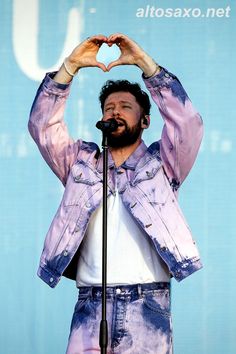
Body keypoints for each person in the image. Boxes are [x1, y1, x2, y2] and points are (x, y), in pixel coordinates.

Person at [29, 33, 203, 354]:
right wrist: (70, 67)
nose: (115, 112)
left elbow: (188, 124)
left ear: (145, 120)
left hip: (146, 304)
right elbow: (42, 127)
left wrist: (145, 65)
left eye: (125, 106)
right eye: (109, 107)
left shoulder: (163, 164)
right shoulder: (81, 163)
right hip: (90, 305)